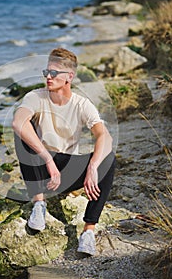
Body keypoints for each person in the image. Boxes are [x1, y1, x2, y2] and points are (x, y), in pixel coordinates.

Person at [12, 48, 115, 256]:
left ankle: (88, 232)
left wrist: (93, 167)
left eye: (54, 73)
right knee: (22, 131)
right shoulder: (35, 97)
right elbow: (17, 123)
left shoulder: (81, 104)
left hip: (66, 173)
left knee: (108, 159)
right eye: (46, 72)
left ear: (69, 76)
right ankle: (39, 205)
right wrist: (47, 159)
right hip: (40, 172)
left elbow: (106, 137)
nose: (48, 77)